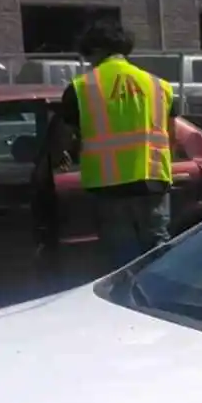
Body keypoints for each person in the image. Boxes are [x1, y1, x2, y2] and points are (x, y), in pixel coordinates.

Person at [47, 19, 177, 268]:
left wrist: (58, 159)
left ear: (95, 50)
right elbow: (171, 137)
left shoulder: (81, 88)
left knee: (123, 258)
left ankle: (126, 302)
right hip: (153, 182)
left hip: (109, 187)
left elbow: (64, 135)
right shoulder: (159, 85)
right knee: (159, 251)